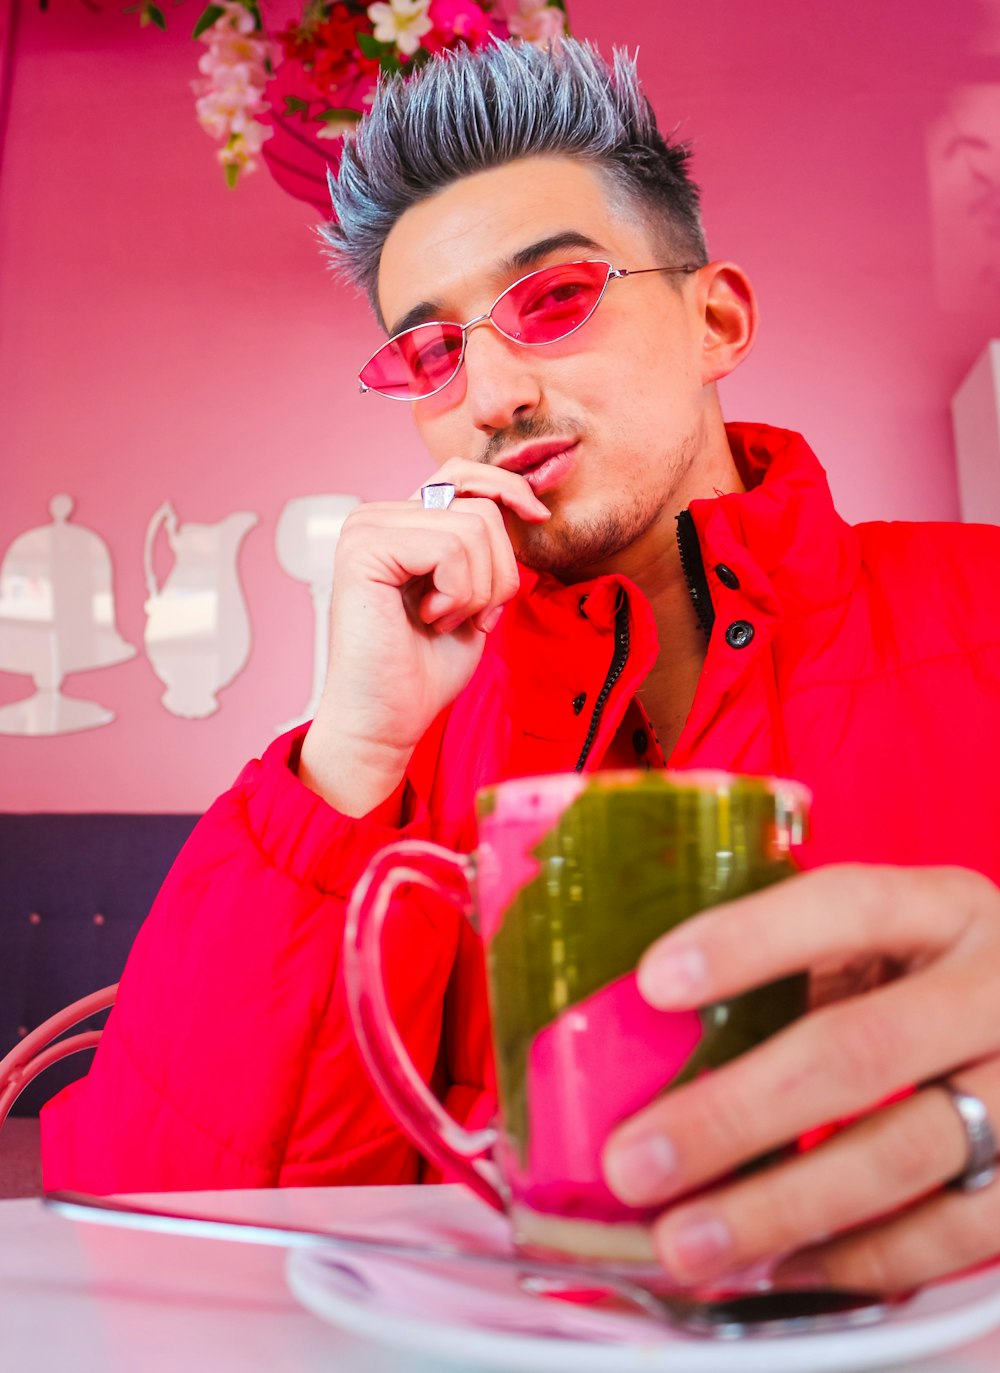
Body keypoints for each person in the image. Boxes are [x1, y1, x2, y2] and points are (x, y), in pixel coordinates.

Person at [41, 39, 1000, 1297]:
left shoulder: (975, 604)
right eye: (433, 353)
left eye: (553, 299)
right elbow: (150, 1236)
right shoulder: (397, 760)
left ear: (716, 320)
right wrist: (347, 758)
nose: (490, 390)